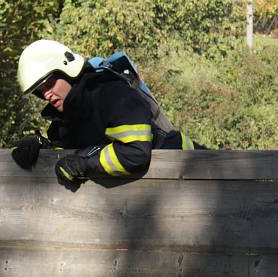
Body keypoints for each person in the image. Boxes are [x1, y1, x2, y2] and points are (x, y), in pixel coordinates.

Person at [11, 40, 204, 188]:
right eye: (40, 90)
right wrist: (40, 148)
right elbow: (72, 153)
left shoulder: (111, 94)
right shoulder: (65, 120)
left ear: (67, 70)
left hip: (199, 170)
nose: (46, 94)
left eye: (49, 84)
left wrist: (86, 163)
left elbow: (135, 152)